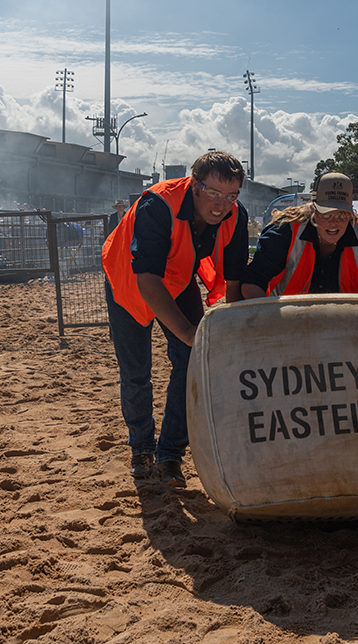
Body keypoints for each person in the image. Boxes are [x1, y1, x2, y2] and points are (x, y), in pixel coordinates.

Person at [101, 151, 249, 488]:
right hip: (130, 278)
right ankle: (141, 448)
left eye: (231, 195)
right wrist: (186, 331)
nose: (221, 204)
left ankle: (169, 454)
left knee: (191, 362)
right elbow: (147, 279)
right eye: (213, 193)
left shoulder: (236, 216)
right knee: (136, 371)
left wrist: (237, 328)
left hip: (178, 277)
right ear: (194, 185)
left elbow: (236, 277)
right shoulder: (158, 204)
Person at [242, 172, 358, 298]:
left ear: (351, 212)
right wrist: (266, 319)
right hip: (287, 322)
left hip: (346, 325)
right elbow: (252, 282)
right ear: (313, 210)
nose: (334, 223)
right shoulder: (285, 232)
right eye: (326, 214)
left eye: (342, 214)